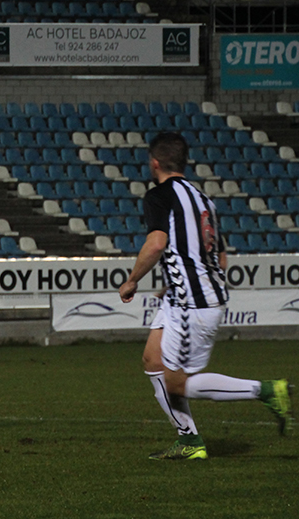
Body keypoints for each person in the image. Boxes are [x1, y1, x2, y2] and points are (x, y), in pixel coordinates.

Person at [117, 132, 292, 460]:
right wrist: (179, 282)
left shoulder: (159, 195)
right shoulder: (203, 200)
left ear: (155, 163)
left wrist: (132, 280)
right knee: (152, 361)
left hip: (191, 305)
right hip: (184, 298)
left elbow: (156, 244)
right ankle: (189, 440)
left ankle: (267, 390)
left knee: (178, 384)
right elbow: (218, 257)